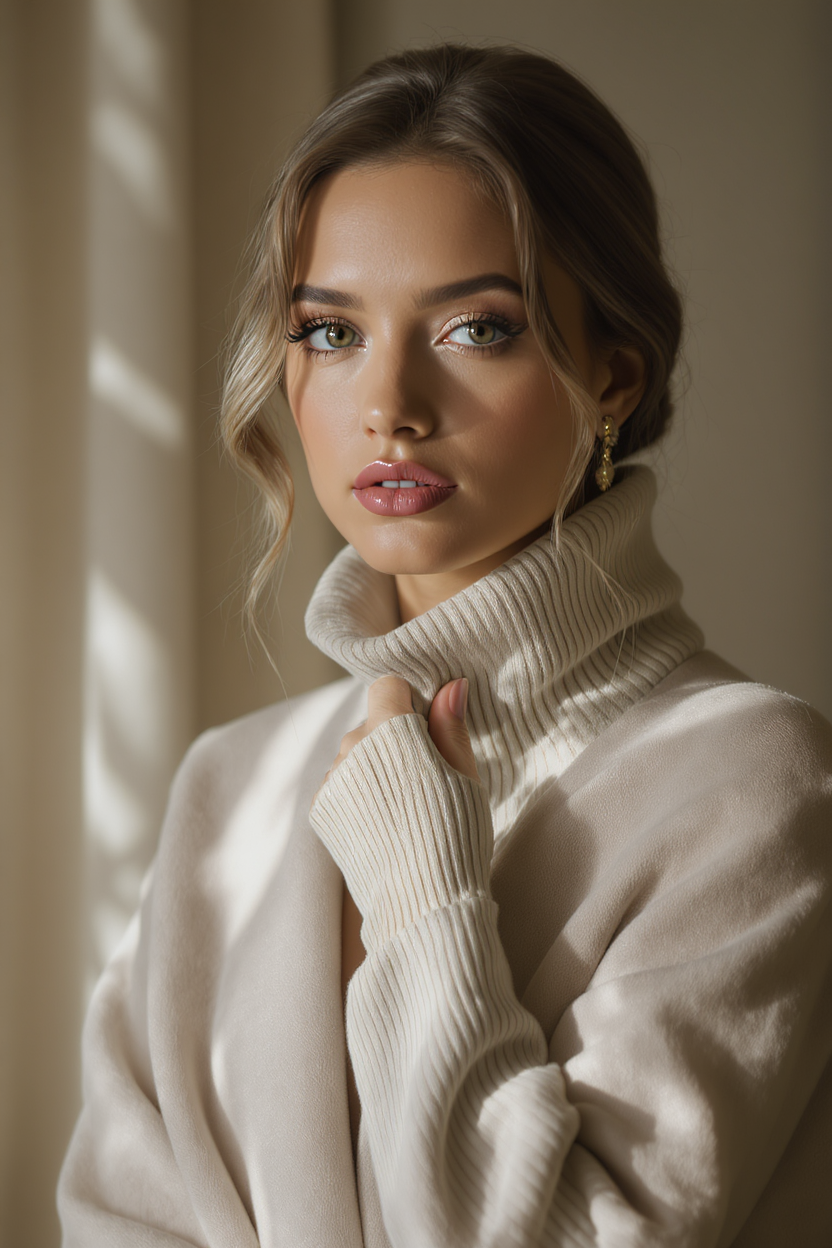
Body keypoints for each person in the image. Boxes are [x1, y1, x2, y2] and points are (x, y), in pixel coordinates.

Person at [58, 42, 832, 1247]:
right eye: (329, 333)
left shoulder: (752, 785)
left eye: (476, 328)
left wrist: (422, 887)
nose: (389, 404)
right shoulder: (227, 788)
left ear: (612, 375)